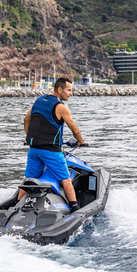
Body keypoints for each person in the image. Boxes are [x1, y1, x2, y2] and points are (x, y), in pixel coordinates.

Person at [18, 77, 86, 211]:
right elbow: (75, 130)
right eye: (69, 90)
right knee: (65, 180)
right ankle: (75, 209)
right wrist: (81, 142)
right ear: (60, 90)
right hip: (51, 151)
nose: (70, 93)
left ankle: (16, 205)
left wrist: (29, 138)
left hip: (34, 150)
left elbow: (26, 119)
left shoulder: (39, 100)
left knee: (29, 179)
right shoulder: (61, 107)